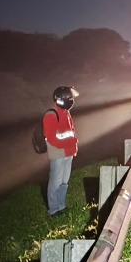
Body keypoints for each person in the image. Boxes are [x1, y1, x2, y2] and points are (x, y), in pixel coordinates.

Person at [43, 86, 80, 216]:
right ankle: (53, 209)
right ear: (61, 100)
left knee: (64, 181)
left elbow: (71, 132)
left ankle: (61, 205)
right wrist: (68, 144)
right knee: (55, 182)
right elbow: (52, 138)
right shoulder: (51, 115)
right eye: (70, 98)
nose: (72, 101)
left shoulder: (66, 113)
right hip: (58, 153)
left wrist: (73, 144)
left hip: (68, 153)